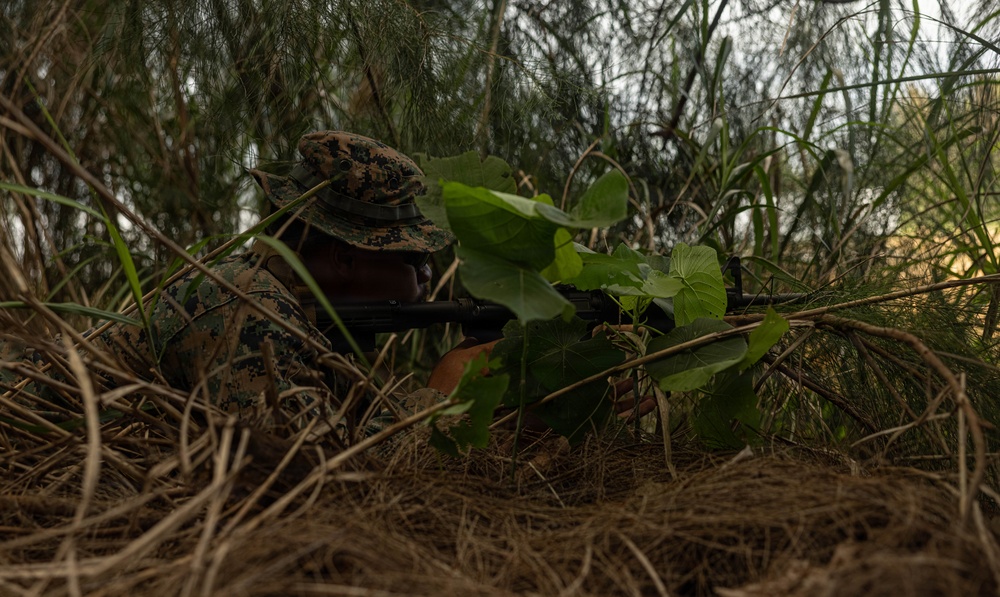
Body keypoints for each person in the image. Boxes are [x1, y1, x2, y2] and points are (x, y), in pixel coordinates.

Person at [2, 131, 460, 441]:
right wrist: (441, 396)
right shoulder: (246, 302)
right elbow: (306, 466)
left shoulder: (307, 314)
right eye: (414, 257)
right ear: (344, 257)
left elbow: (347, 425)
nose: (425, 273)